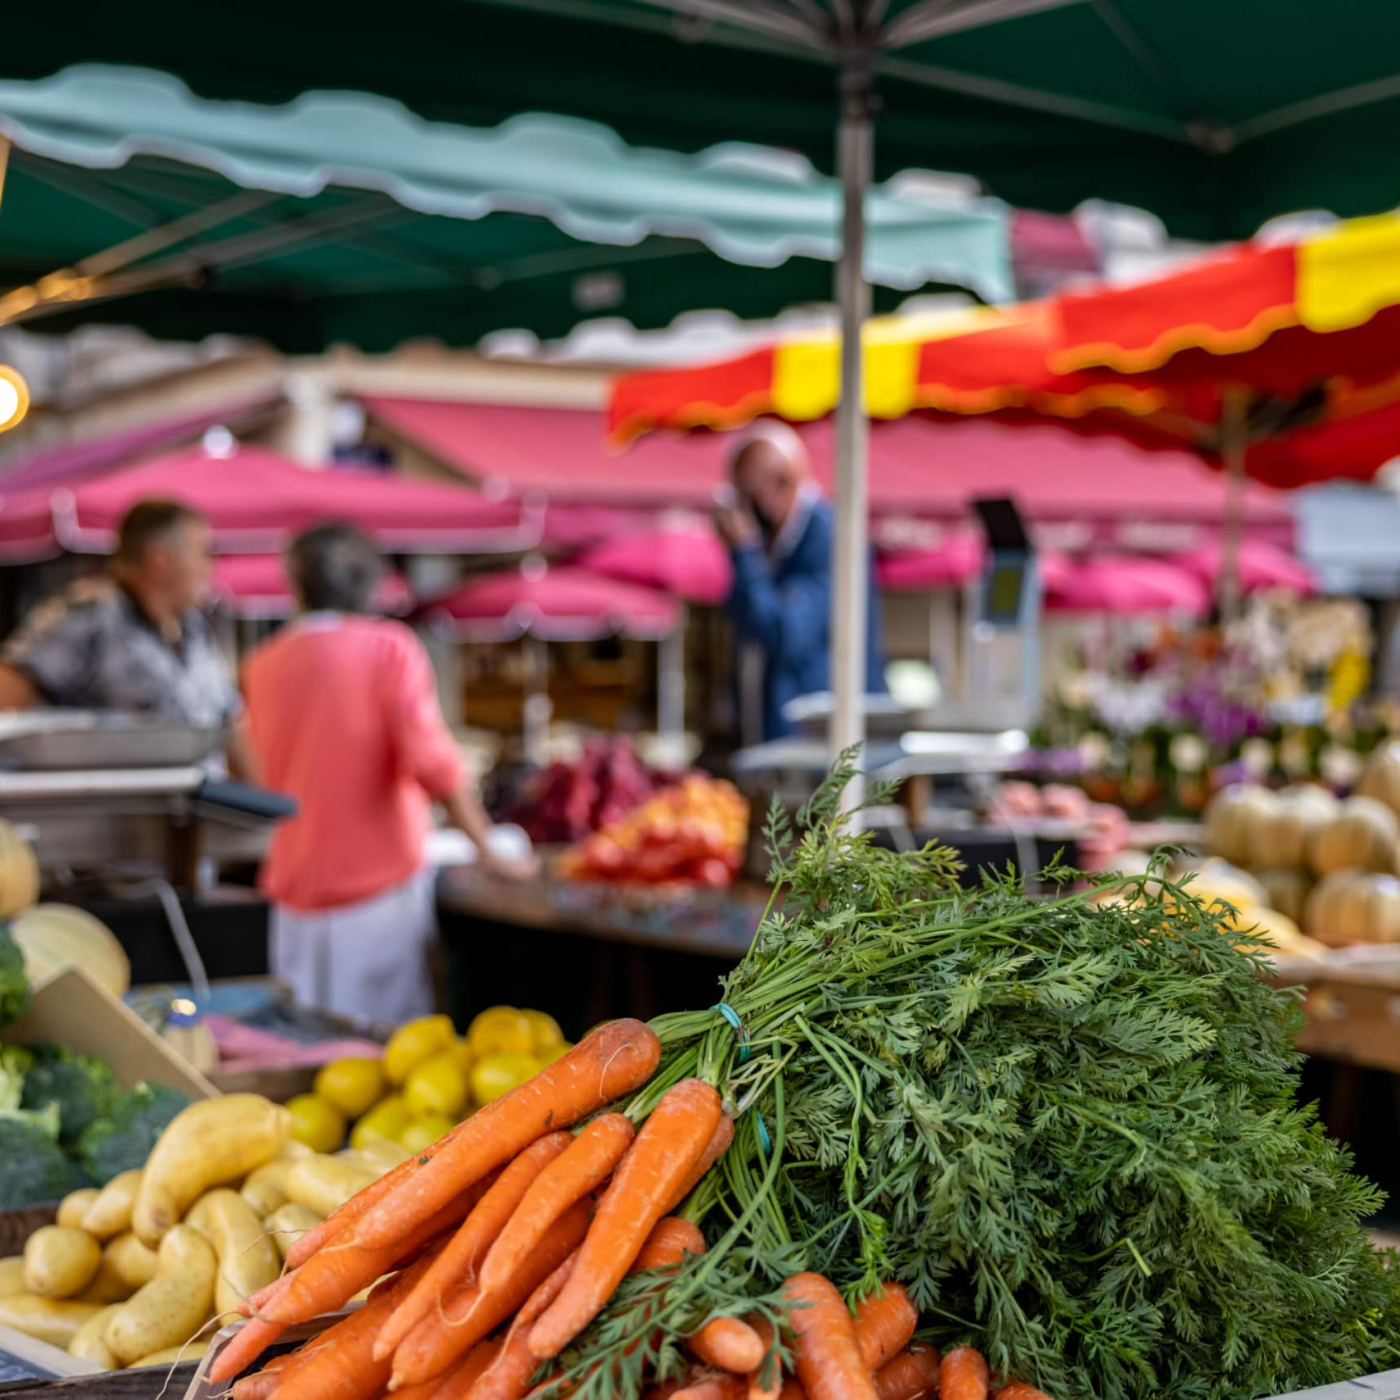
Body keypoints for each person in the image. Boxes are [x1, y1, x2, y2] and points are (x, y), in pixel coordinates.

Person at [241, 523, 537, 1022]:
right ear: (372, 583)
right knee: (385, 1057)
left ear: (297, 585)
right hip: (375, 888)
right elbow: (434, 762)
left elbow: (255, 771)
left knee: (308, 1051)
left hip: (293, 888)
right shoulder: (388, 647)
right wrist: (488, 850)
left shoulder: (261, 662)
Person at [0, 498, 253, 775]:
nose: (211, 567)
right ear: (161, 559)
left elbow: (231, 728)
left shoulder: (194, 628)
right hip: (116, 811)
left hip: (203, 809)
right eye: (204, 553)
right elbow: (9, 691)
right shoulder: (89, 612)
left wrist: (261, 812)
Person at [713, 421, 884, 741]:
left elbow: (783, 634)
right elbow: (741, 623)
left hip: (823, 743)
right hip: (776, 739)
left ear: (782, 483)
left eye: (747, 496)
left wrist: (745, 553)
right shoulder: (771, 546)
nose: (741, 512)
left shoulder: (829, 538)